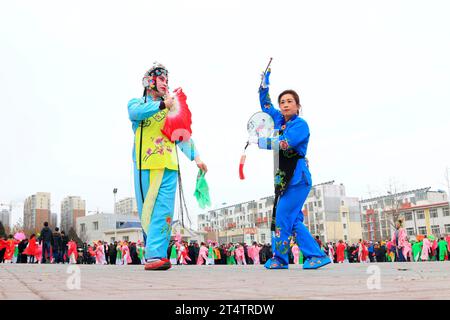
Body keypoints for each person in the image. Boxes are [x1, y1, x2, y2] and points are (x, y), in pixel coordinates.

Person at [128, 62, 207, 271]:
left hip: (169, 166)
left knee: (164, 211)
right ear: (149, 82)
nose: (165, 83)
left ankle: (156, 255)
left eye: (167, 80)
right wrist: (163, 105)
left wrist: (196, 157)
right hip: (147, 165)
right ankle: (153, 253)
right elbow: (134, 113)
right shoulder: (138, 103)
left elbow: (181, 135)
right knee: (150, 209)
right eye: (161, 79)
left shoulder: (171, 107)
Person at [257, 68, 330, 270]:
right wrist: (264, 86)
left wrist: (261, 141)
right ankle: (316, 255)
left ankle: (280, 259)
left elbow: (285, 143)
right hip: (284, 179)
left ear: (298, 106)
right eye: (282, 102)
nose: (285, 104)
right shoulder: (280, 121)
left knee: (282, 217)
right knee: (293, 220)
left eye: (290, 101)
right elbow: (266, 106)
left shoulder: (300, 125)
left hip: (297, 179)